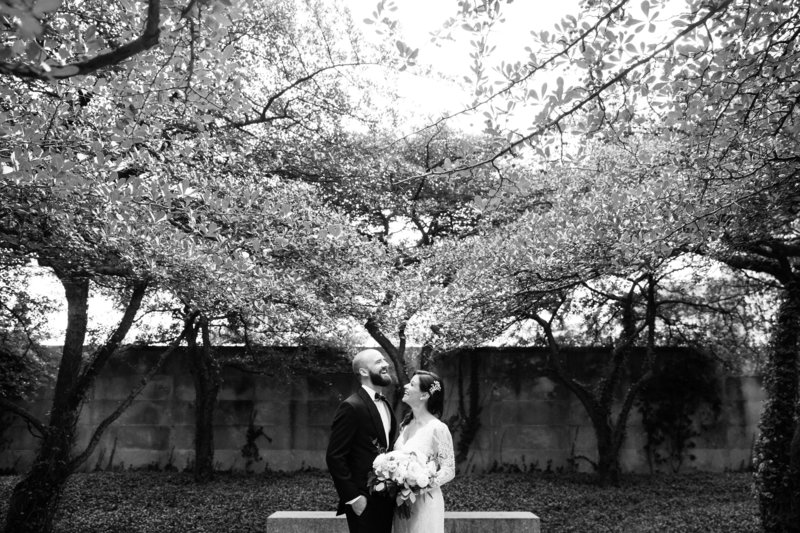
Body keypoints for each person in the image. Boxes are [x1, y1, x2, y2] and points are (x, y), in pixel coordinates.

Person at [326, 349, 398, 533]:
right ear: (364, 372)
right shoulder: (351, 406)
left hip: (386, 498)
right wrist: (353, 498)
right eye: (378, 361)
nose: (386, 364)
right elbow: (335, 457)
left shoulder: (386, 404)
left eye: (385, 359)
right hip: (363, 500)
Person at [392, 370, 455, 533]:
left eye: (412, 384)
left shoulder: (438, 428)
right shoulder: (405, 425)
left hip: (426, 502)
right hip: (402, 504)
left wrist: (419, 485)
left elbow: (449, 470)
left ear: (424, 395)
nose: (405, 386)